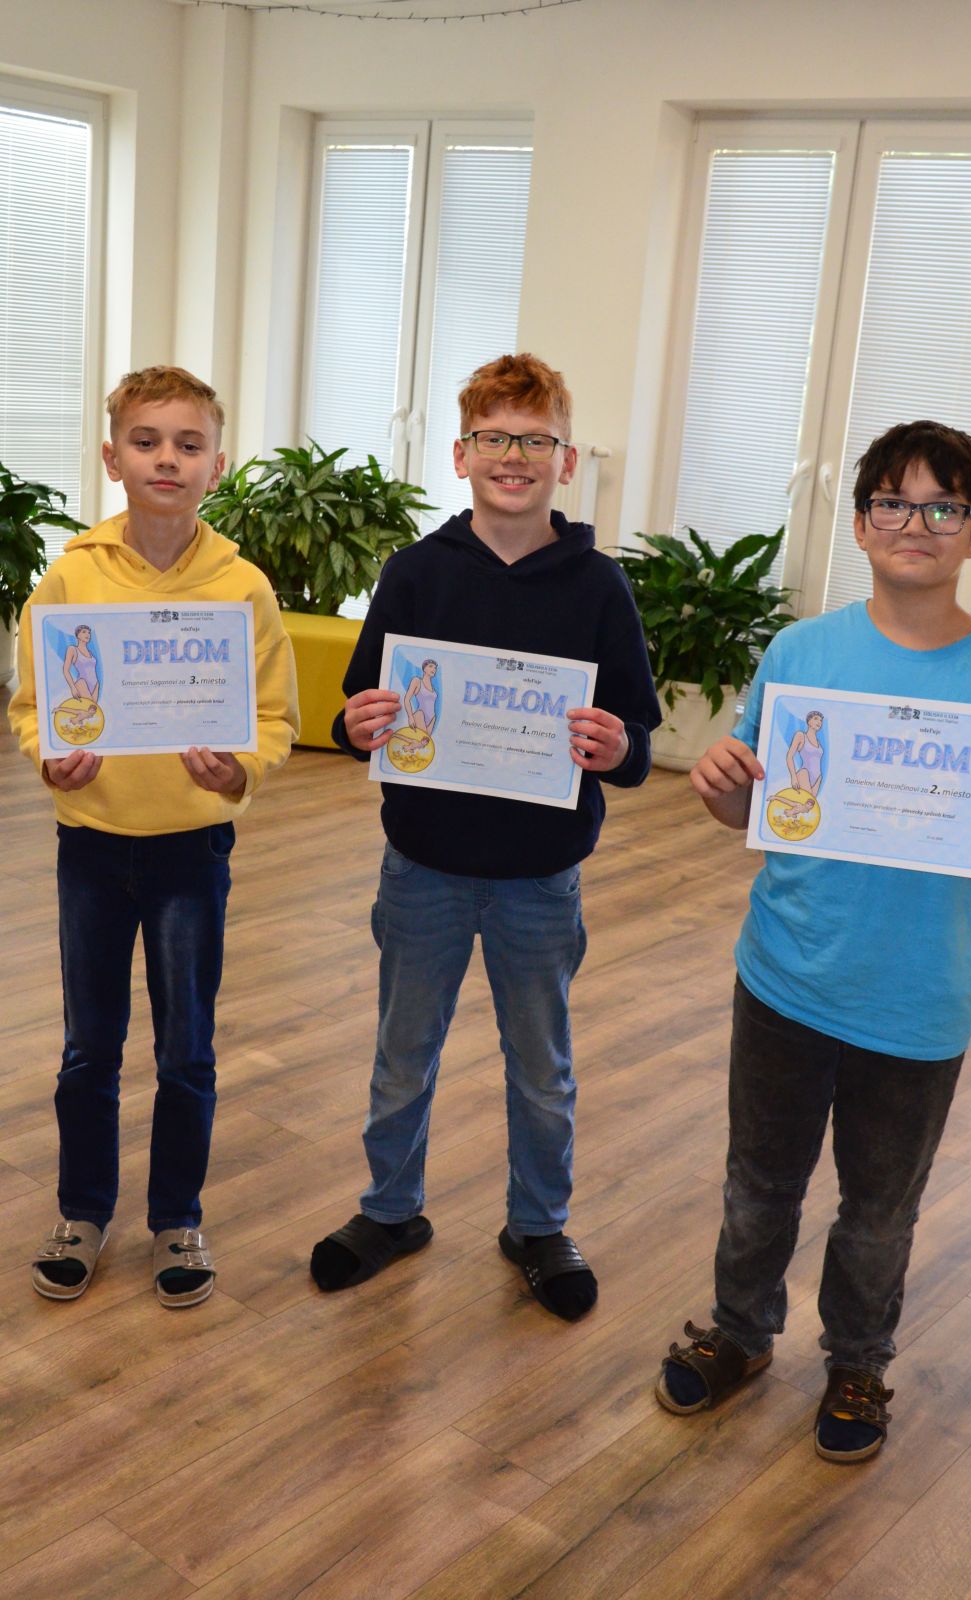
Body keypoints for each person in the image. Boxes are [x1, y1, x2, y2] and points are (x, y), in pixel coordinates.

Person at [654, 420, 971, 1460]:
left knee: (879, 1211)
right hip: (785, 975)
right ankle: (740, 1332)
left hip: (918, 998)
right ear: (861, 522)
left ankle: (858, 1363)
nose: (915, 524)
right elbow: (756, 812)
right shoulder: (801, 652)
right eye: (892, 503)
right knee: (759, 1184)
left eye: (943, 507)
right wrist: (720, 790)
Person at [310, 353, 660, 1320]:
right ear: (461, 455)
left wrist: (617, 746)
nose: (515, 456)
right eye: (495, 437)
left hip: (540, 879)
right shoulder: (415, 573)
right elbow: (359, 711)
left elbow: (635, 741)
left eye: (536, 440)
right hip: (421, 866)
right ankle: (390, 1212)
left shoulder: (600, 588)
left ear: (567, 460)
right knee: (402, 1054)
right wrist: (355, 725)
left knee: (541, 1068)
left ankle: (538, 1225)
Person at [9, 366, 298, 1308]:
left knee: (187, 1050)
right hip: (90, 846)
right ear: (112, 457)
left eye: (187, 444)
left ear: (219, 464)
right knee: (89, 1047)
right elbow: (32, 704)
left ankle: (177, 1217)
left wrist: (240, 771)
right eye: (146, 441)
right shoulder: (72, 576)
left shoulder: (244, 587)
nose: (166, 459)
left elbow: (274, 717)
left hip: (191, 853)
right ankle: (82, 1213)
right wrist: (49, 758)